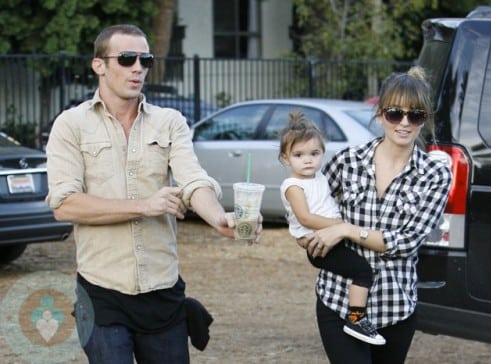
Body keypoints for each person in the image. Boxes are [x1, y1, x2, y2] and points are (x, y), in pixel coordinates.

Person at [45, 24, 261, 364]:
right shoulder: (71, 125)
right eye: (127, 58)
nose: (138, 68)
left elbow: (193, 181)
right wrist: (144, 205)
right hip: (102, 293)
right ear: (99, 65)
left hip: (163, 291)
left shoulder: (170, 121)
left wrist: (220, 218)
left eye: (145, 60)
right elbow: (65, 204)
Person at [300, 66, 452, 364]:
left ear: (424, 120)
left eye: (415, 115)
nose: (404, 123)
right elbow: (310, 208)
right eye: (396, 113)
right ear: (380, 114)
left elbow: (407, 242)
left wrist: (344, 229)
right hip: (338, 301)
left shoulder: (435, 176)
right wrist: (306, 235)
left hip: (394, 309)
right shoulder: (348, 161)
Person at [279, 112, 385, 346]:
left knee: (361, 266)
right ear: (285, 159)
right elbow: (305, 218)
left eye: (314, 154)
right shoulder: (293, 186)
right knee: (363, 272)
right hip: (319, 246)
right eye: (298, 155)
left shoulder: (319, 178)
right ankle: (356, 318)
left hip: (331, 239)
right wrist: (341, 225)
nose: (308, 160)